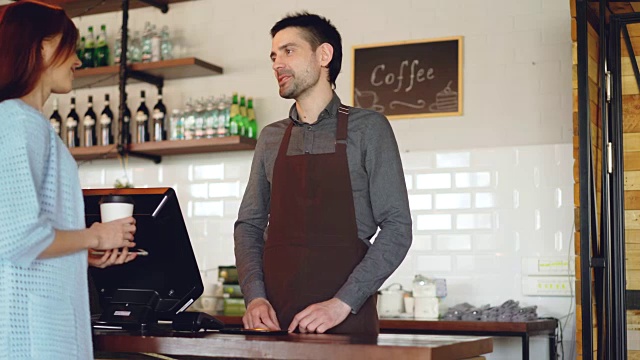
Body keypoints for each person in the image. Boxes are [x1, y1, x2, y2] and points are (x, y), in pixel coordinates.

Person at [234, 12, 412, 335]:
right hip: (275, 328)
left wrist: (342, 302)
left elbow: (398, 228)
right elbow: (249, 226)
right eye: (274, 56)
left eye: (289, 51)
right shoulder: (270, 138)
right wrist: (255, 298)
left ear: (324, 56)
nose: (277, 64)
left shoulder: (369, 130)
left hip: (347, 326)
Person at [0, 2, 137, 358]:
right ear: (43, 47)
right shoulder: (18, 121)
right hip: (27, 334)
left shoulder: (25, 122)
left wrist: (80, 251)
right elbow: (17, 237)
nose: (77, 61)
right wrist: (97, 234)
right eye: (70, 47)